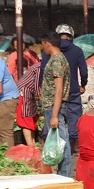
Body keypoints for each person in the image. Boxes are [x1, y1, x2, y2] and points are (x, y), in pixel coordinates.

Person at [39, 32, 73, 177]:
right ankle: (61, 173)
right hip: (52, 107)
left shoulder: (57, 60)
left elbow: (59, 89)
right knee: (58, 142)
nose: (43, 48)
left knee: (62, 142)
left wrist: (54, 115)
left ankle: (64, 176)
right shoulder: (55, 59)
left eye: (43, 45)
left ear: (47, 42)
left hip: (55, 108)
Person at [55, 25, 89, 152]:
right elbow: (84, 71)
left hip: (56, 91)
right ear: (71, 36)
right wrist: (83, 84)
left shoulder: (53, 50)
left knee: (57, 115)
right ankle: (71, 145)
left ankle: (59, 145)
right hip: (73, 89)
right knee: (74, 116)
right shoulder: (77, 50)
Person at [10, 38, 42, 147]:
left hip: (30, 93)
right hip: (24, 93)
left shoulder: (32, 55)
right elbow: (37, 87)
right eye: (15, 45)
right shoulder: (14, 56)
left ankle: (32, 144)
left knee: (30, 118)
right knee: (26, 119)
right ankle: (30, 145)